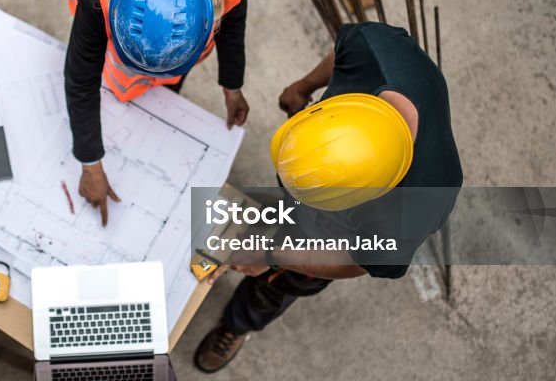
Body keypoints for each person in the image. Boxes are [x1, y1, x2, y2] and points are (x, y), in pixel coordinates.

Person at [193, 22, 464, 373]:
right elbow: (342, 53)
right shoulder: (375, 49)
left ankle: (238, 325)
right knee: (280, 214)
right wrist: (305, 86)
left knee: (280, 283)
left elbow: (355, 261)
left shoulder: (411, 211)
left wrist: (276, 258)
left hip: (333, 235)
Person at [63, 0, 251, 225]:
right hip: (121, 70)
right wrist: (90, 163)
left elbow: (232, 32)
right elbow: (81, 78)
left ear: (210, 18)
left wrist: (232, 86)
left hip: (179, 61)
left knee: (164, 95)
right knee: (121, 91)